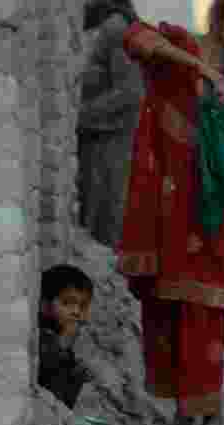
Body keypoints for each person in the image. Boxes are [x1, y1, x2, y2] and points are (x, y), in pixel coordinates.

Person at [117, 0, 224, 425]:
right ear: (219, 14)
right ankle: (176, 422)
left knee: (205, 311)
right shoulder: (176, 45)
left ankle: (206, 419)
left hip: (208, 209)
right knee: (162, 309)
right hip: (160, 205)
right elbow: (134, 38)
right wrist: (199, 69)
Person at [79, 0, 145, 248]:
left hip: (110, 147)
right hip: (99, 144)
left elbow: (129, 93)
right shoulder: (103, 26)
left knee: (104, 232)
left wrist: (78, 116)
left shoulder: (115, 28)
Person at [38, 265, 96, 409]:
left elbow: (63, 405)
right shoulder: (41, 339)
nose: (76, 312)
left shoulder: (63, 343)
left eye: (82, 305)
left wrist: (76, 378)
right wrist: (63, 344)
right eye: (67, 303)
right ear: (44, 305)